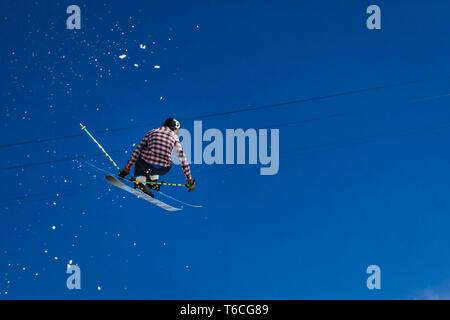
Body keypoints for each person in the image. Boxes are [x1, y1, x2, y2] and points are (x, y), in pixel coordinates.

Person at [118, 118, 195, 196]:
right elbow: (182, 158)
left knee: (141, 155)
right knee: (161, 158)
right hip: (163, 169)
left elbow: (138, 149)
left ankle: (141, 182)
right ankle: (153, 182)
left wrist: (127, 168)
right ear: (174, 129)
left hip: (145, 164)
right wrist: (189, 179)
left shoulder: (152, 132)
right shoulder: (175, 138)